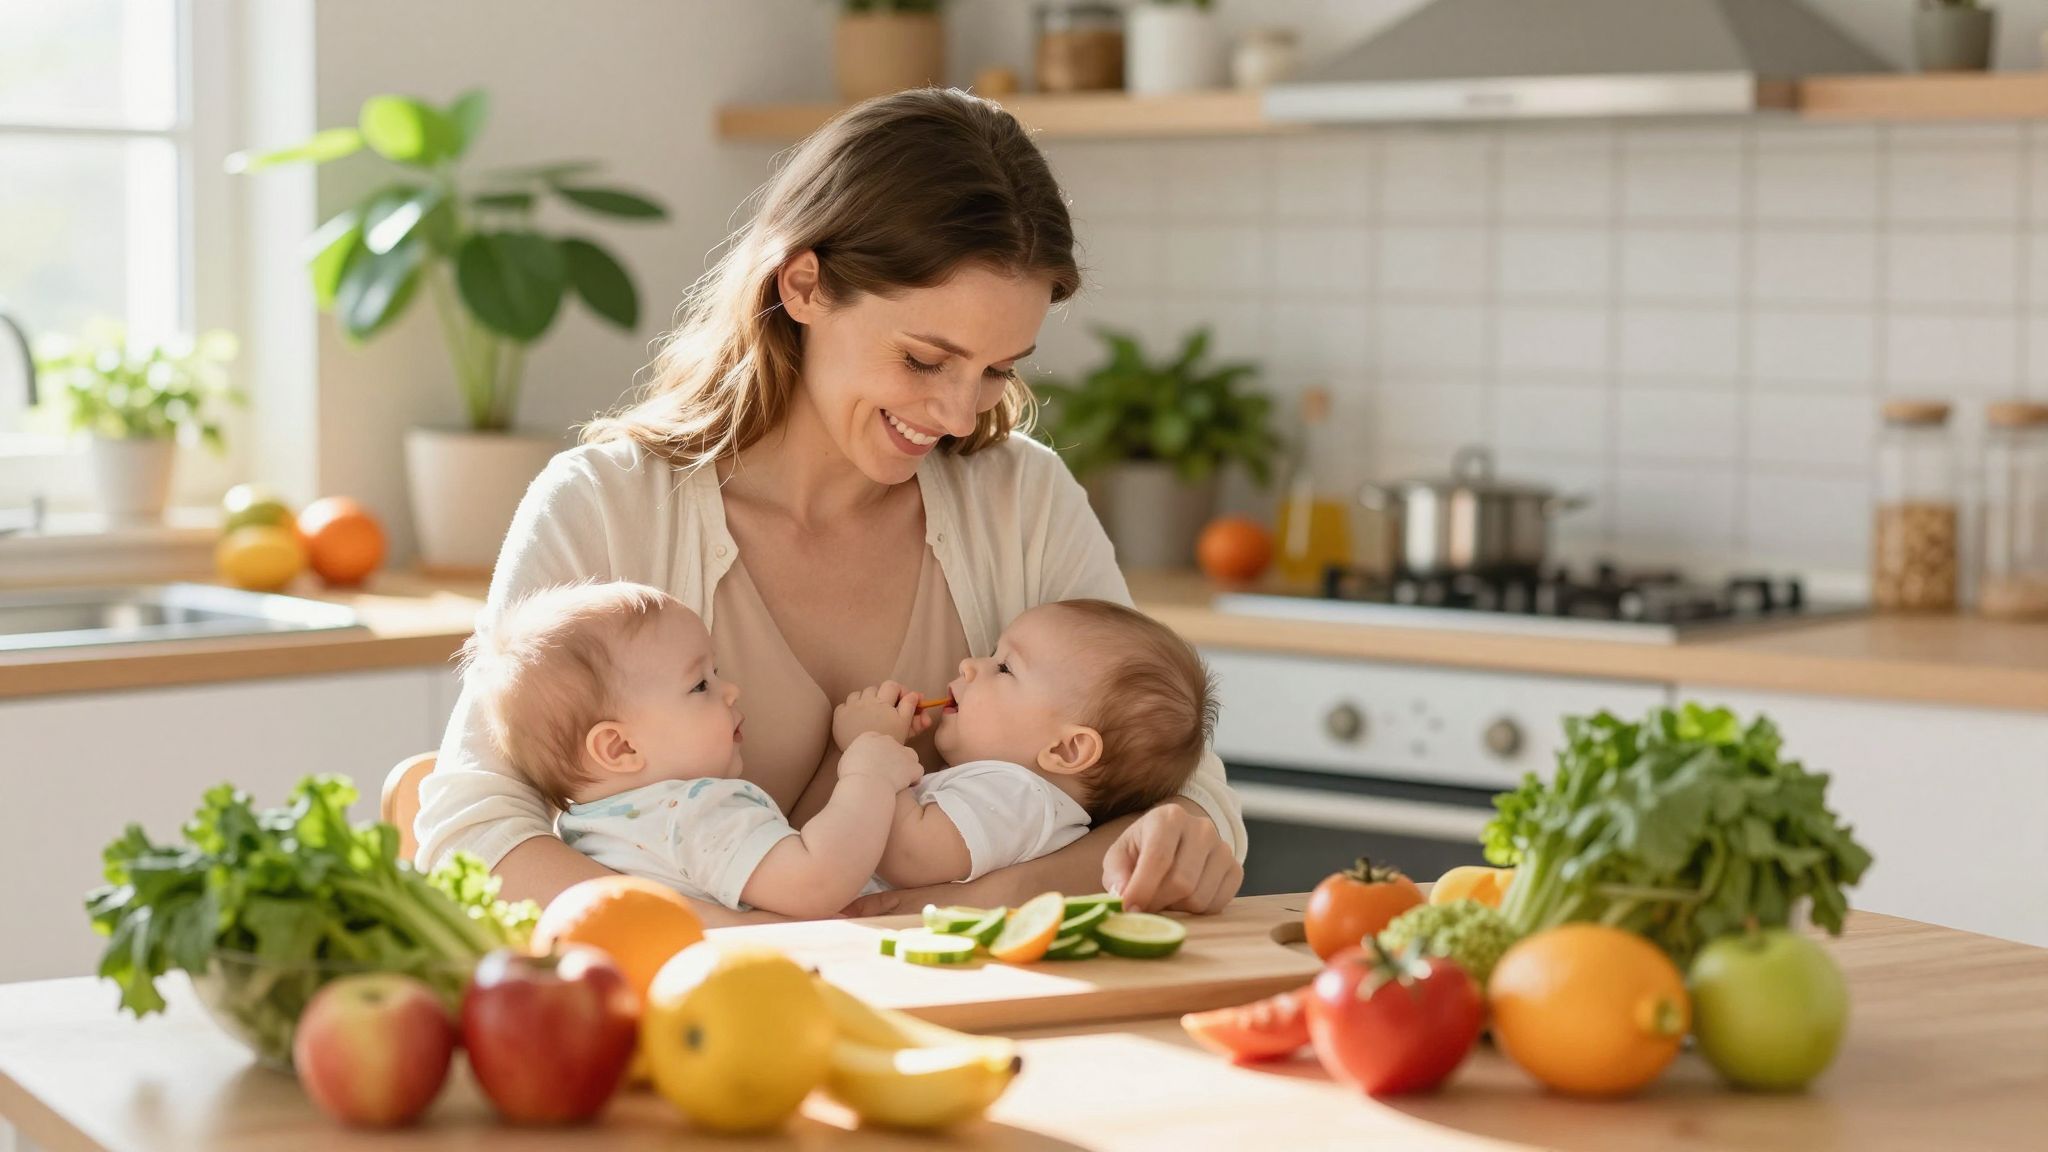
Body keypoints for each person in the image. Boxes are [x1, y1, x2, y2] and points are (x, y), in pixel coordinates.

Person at [414, 87, 1245, 924]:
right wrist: (739, 949)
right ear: (805, 285)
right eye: (925, 361)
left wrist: (976, 902)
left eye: (998, 370)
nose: (961, 415)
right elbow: (471, 834)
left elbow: (1190, 810)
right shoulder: (606, 506)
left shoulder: (1019, 499)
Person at [459, 581, 924, 918]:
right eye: (700, 684)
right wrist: (869, 774)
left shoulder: (589, 828)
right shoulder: (695, 811)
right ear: (619, 746)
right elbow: (816, 882)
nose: (731, 691)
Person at [832, 599, 1217, 889]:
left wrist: (874, 747)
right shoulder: (1016, 794)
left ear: (1067, 751)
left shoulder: (1020, 797)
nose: (970, 664)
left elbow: (907, 856)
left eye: (1004, 668)